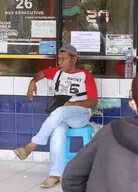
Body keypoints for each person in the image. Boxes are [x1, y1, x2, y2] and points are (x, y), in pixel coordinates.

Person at [14, 44, 98, 189]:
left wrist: (74, 104)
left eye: (63, 59)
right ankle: (55, 175)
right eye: (58, 59)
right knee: (58, 130)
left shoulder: (85, 75)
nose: (59, 62)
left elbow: (93, 101)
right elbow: (42, 73)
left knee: (59, 112)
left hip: (80, 114)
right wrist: (32, 82)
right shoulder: (57, 72)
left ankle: (31, 146)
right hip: (62, 115)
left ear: (74, 59)